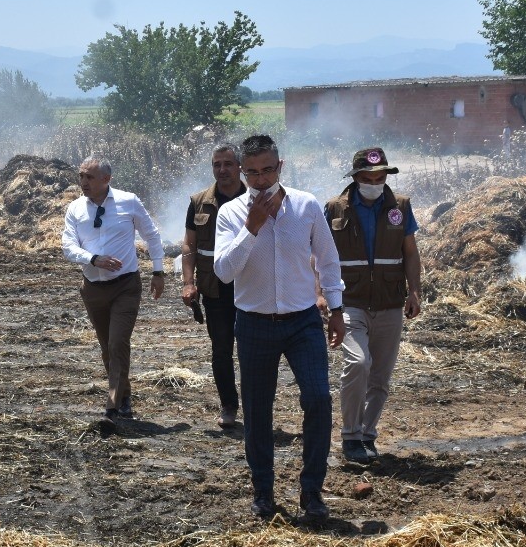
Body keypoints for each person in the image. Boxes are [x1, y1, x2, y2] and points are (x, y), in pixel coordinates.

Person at [213, 134, 345, 522]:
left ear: (280, 166)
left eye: (267, 170)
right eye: (252, 172)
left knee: (318, 400)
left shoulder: (305, 205)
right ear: (242, 171)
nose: (260, 180)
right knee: (257, 411)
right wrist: (251, 228)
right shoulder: (231, 214)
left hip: (303, 321)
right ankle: (263, 491)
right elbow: (224, 272)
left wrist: (336, 308)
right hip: (253, 323)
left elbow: (328, 259)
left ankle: (312, 491)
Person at [322, 147, 422, 467]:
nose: (375, 184)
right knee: (358, 362)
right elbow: (319, 253)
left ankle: (367, 434)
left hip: (390, 301)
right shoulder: (334, 209)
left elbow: (410, 253)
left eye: (380, 179)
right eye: (368, 179)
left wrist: (414, 292)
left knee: (380, 376)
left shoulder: (400, 207)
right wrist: (320, 292)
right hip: (349, 301)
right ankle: (350, 435)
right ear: (356, 178)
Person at [61, 156, 165, 418]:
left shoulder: (129, 201)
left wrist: (158, 270)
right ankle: (124, 395)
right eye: (81, 176)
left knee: (118, 342)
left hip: (125, 286)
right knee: (107, 345)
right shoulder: (75, 209)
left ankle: (113, 404)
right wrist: (93, 259)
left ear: (106, 179)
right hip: (93, 288)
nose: (83, 182)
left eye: (89, 177)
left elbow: (151, 235)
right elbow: (68, 246)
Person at [180, 144, 246, 429]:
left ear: (239, 166)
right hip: (215, 288)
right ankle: (229, 405)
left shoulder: (254, 198)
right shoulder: (199, 202)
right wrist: (188, 282)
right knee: (221, 349)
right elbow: (189, 245)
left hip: (250, 286)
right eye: (217, 164)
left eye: (228, 164)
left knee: (252, 349)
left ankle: (255, 404)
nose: (222, 170)